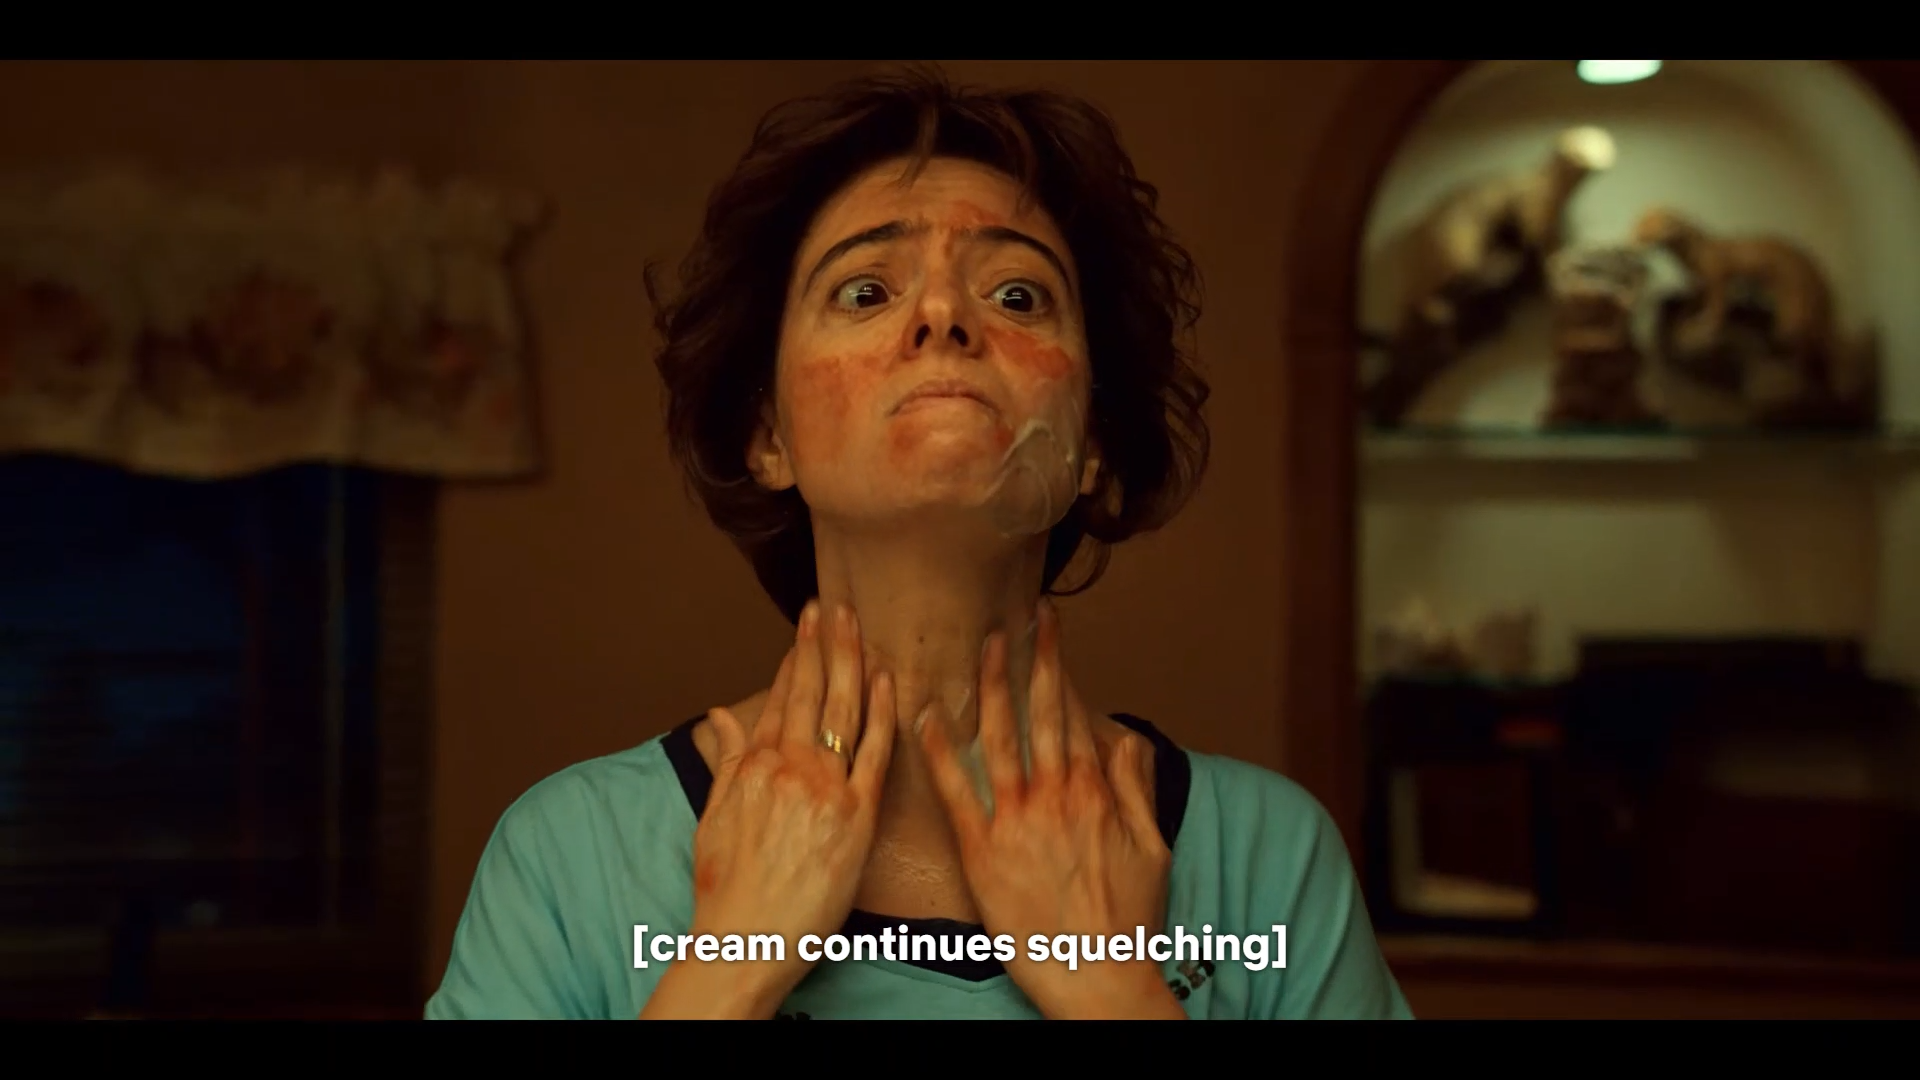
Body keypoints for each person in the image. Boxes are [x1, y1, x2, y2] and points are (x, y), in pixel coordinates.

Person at [427, 66, 1413, 1021]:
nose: (942, 316)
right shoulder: (572, 856)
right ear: (769, 436)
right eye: (865, 292)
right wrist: (731, 968)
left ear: (1094, 447)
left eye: (1018, 296)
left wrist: (1110, 990)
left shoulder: (1267, 861)